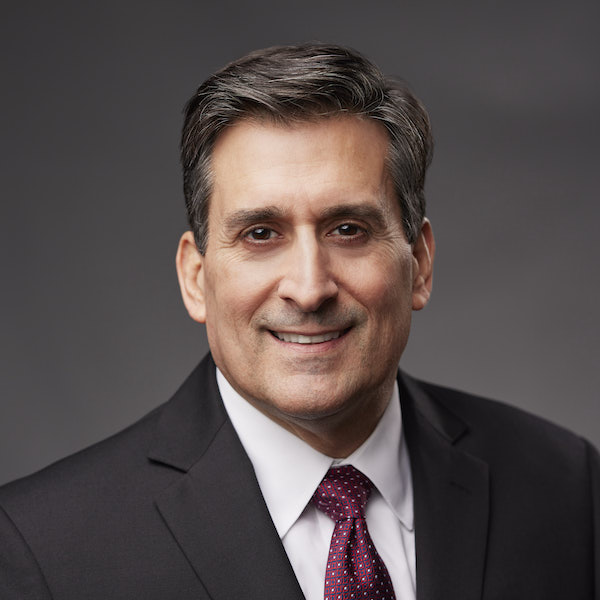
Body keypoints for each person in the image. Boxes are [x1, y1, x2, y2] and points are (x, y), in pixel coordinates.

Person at [0, 43, 598, 600]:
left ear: (418, 263)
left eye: (349, 230)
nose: (310, 289)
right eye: (261, 234)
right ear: (195, 278)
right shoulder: (41, 549)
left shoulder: (568, 488)